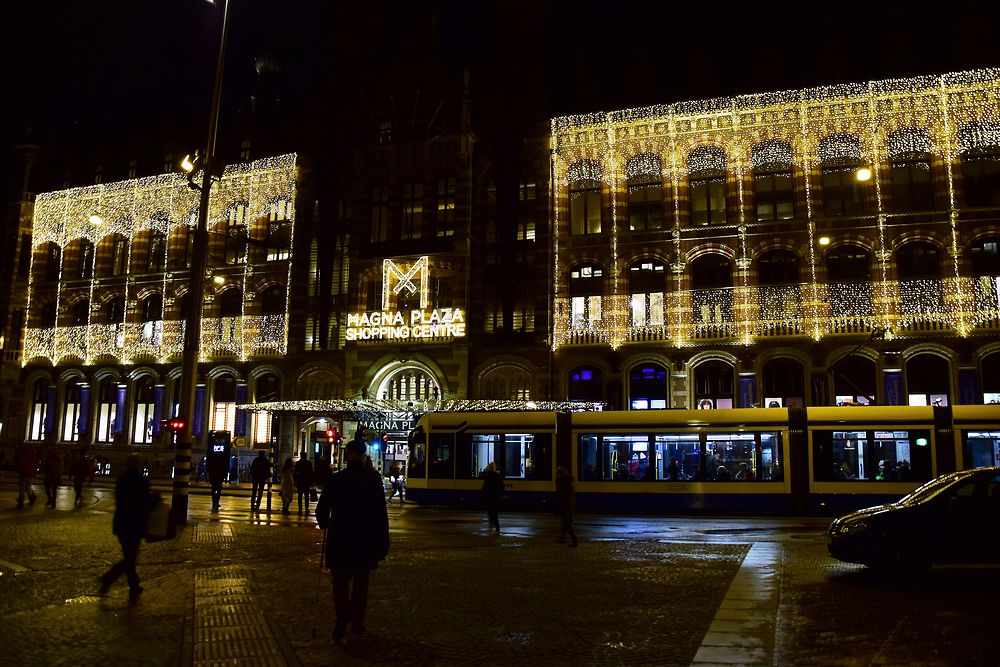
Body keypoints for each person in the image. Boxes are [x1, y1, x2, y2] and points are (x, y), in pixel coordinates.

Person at [315, 437, 390, 641]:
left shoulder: (336, 480)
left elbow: (322, 510)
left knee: (340, 584)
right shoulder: (372, 481)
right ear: (363, 454)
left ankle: (342, 619)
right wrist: (382, 541)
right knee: (360, 585)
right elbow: (380, 514)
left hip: (341, 538)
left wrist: (324, 522)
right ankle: (357, 621)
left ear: (350, 455)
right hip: (364, 540)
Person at [100, 454, 158, 599]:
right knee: (130, 558)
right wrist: (155, 499)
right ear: (138, 465)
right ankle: (110, 578)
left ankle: (133, 586)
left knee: (129, 557)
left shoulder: (121, 480)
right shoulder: (141, 481)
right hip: (134, 524)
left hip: (121, 523)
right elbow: (144, 503)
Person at [555, 466, 578, 547]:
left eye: (557, 473)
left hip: (566, 505)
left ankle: (574, 540)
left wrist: (559, 506)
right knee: (565, 523)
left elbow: (562, 495)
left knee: (566, 523)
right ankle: (562, 538)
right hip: (569, 504)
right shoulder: (568, 482)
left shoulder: (564, 483)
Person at [481, 461, 504, 534]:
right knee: (494, 512)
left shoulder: (488, 476)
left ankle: (492, 525)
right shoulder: (497, 476)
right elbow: (502, 486)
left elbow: (484, 488)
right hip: (495, 497)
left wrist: (482, 495)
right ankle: (496, 526)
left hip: (489, 497)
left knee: (490, 512)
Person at [15, 443, 39, 509]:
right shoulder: (33, 454)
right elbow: (35, 464)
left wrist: (19, 471)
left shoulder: (22, 454)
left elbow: (19, 463)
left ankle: (21, 502)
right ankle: (31, 498)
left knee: (22, 488)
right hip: (30, 473)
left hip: (23, 473)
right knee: (28, 487)